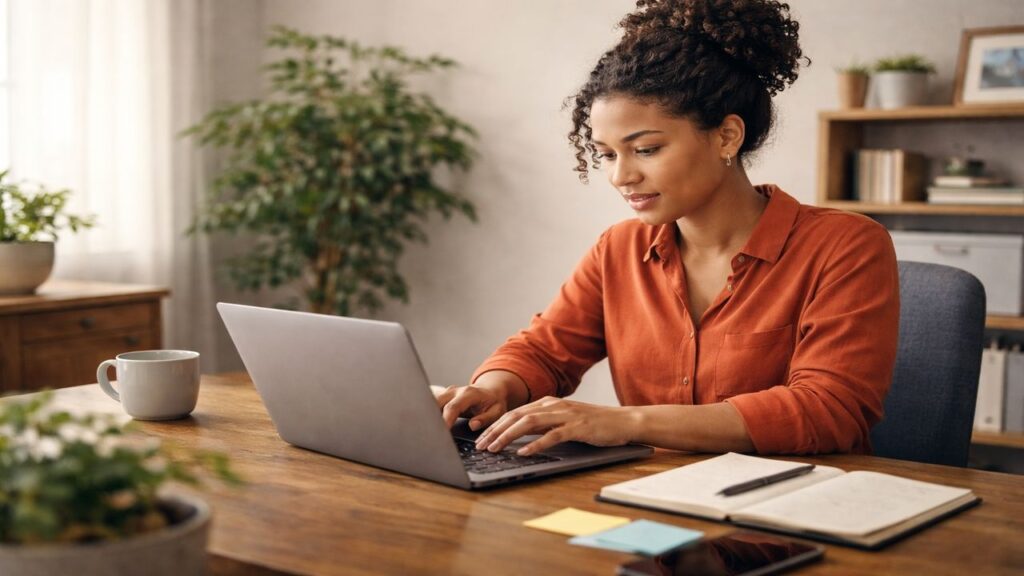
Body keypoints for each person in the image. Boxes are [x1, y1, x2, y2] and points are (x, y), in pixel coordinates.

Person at [436, 0, 898, 457]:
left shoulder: (845, 246)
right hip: (650, 501)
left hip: (792, 512)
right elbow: (543, 351)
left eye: (647, 149)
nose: (621, 176)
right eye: (607, 154)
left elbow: (828, 409)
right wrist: (495, 389)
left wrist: (626, 422)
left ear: (726, 137)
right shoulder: (619, 249)